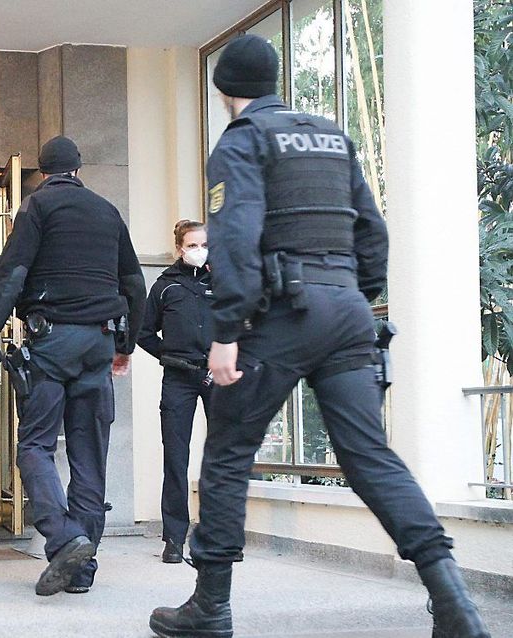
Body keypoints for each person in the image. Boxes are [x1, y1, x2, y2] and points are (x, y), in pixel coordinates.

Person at [149, 34, 491, 638]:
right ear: (275, 81)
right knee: (370, 457)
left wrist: (226, 332)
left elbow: (236, 239)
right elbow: (373, 233)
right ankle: (453, 600)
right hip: (347, 310)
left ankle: (211, 606)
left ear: (224, 90)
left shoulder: (243, 140)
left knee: (227, 454)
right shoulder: (332, 135)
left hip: (283, 314)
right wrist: (356, 299)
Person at [0, 136, 146, 596]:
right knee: (89, 454)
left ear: (42, 173)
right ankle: (82, 570)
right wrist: (127, 342)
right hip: (100, 343)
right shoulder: (107, 211)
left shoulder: (37, 208)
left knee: (35, 445)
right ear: (79, 168)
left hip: (52, 344)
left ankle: (65, 539)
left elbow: (12, 274)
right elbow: (133, 282)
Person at [137, 220, 213, 565]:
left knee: (222, 456)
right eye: (192, 245)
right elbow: (144, 332)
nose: (199, 250)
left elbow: (242, 324)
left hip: (217, 376)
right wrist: (167, 357)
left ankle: (219, 534)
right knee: (175, 457)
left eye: (204, 244)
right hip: (179, 379)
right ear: (180, 248)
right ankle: (174, 539)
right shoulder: (165, 286)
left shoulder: (222, 282)